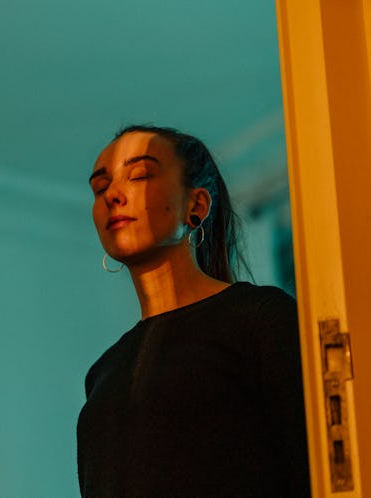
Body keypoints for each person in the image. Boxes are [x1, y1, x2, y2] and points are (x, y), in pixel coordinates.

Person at [76, 125, 310, 496]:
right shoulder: (103, 373)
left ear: (196, 206)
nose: (113, 196)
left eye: (138, 175)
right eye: (100, 187)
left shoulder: (261, 319)